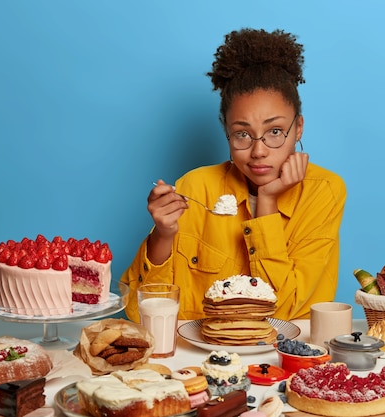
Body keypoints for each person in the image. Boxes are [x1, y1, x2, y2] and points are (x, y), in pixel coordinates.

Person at [121, 28, 347, 323]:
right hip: (195, 360)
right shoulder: (196, 187)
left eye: (275, 132)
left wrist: (266, 200)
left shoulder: (324, 191)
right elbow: (139, 311)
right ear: (226, 131)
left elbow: (283, 312)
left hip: (283, 360)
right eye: (242, 134)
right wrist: (163, 236)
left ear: (299, 127)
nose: (258, 151)